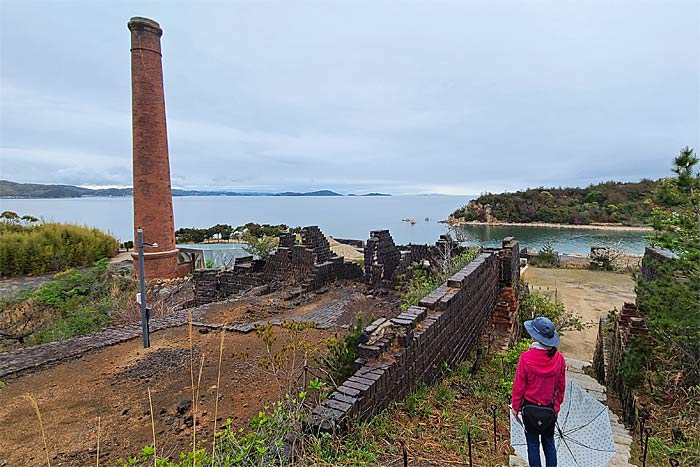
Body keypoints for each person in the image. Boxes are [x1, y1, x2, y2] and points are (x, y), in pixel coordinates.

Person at [511, 316, 566, 467]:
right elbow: (561, 387)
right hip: (549, 410)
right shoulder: (559, 359)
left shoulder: (526, 358)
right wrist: (556, 407)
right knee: (549, 444)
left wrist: (515, 407)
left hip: (530, 409)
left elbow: (519, 386)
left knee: (533, 446)